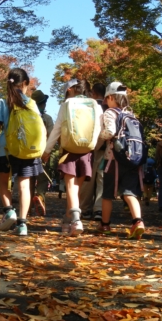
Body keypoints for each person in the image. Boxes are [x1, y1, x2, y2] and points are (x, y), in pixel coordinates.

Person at [0, 67, 44, 236]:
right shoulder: (31, 103)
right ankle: (22, 224)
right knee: (24, 186)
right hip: (26, 149)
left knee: (4, 182)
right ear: (25, 83)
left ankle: (9, 211)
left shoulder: (2, 102)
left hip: (6, 149)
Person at [41, 78, 102, 236]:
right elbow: (100, 127)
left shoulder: (67, 104)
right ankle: (67, 221)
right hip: (87, 150)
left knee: (71, 188)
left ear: (71, 89)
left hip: (69, 150)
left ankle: (76, 219)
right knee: (76, 189)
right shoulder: (95, 104)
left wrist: (46, 151)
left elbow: (57, 129)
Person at [98, 82, 145, 239]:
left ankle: (105, 225)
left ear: (110, 97)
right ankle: (138, 222)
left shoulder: (110, 113)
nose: (106, 103)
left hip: (114, 159)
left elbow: (110, 131)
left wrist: (98, 137)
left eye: (106, 99)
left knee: (108, 194)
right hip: (133, 159)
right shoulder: (132, 115)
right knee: (129, 193)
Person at [79, 82, 107, 221]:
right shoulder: (108, 107)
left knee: (87, 179)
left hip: (89, 147)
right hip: (105, 149)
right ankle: (99, 209)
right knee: (102, 179)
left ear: (93, 93)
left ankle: (84, 209)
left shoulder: (89, 106)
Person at [30, 90, 54, 216]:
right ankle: (40, 197)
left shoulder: (26, 116)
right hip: (42, 152)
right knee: (42, 179)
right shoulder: (47, 119)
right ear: (43, 104)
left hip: (27, 152)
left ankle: (26, 206)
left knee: (28, 178)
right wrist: (48, 152)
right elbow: (51, 136)